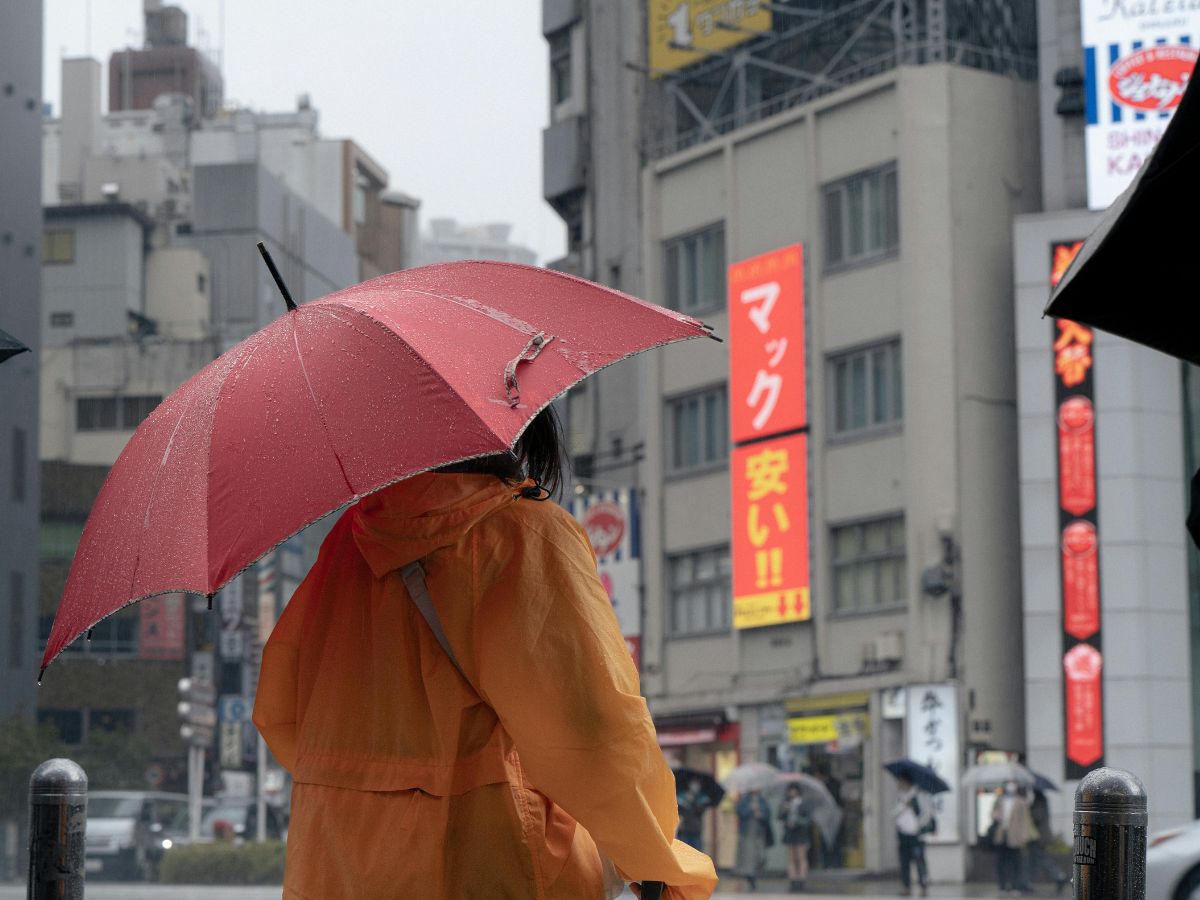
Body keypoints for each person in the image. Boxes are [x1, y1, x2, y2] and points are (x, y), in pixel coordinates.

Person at [253, 407, 717, 898]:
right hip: (484, 859)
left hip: (334, 866)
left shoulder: (350, 544)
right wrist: (660, 865)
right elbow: (592, 727)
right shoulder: (524, 534)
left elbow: (280, 713)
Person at [992, 781, 1034, 896]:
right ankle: (1002, 886)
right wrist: (996, 815)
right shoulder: (1000, 800)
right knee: (1001, 862)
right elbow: (993, 813)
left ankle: (1015, 886)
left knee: (1016, 862)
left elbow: (1025, 820)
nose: (1010, 787)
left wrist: (1023, 836)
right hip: (1002, 835)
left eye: (1013, 784)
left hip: (1015, 836)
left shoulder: (1021, 802)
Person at [892, 775, 930, 898]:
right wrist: (904, 805)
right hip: (903, 835)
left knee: (920, 862)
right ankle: (906, 887)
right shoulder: (900, 797)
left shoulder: (919, 796)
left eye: (901, 781)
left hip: (916, 836)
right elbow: (893, 813)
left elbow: (926, 814)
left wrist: (919, 825)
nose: (899, 783)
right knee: (904, 862)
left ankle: (923, 887)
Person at [1028, 789, 1069, 895]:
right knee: (1036, 860)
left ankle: (1059, 876)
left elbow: (1037, 816)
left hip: (1039, 837)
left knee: (1042, 859)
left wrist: (1029, 810)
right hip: (1040, 836)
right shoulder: (1041, 800)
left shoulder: (1039, 801)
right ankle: (1029, 883)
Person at [735, 790, 774, 892]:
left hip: (759, 833)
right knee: (749, 857)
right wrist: (750, 808)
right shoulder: (744, 800)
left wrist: (760, 814)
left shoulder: (763, 801)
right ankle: (751, 876)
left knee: (761, 856)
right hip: (747, 833)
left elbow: (768, 816)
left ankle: (753, 872)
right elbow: (739, 812)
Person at [778, 782, 812, 892]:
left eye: (794, 790)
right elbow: (779, 816)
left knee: (801, 856)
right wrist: (784, 811)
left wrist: (797, 821)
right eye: (790, 790)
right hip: (789, 833)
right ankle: (792, 879)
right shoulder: (785, 803)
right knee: (791, 857)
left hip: (800, 832)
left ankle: (801, 879)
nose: (792, 792)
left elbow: (808, 820)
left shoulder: (804, 803)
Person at [677, 779, 710, 852]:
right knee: (684, 852)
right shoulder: (682, 796)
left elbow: (700, 810)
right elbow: (679, 809)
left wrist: (693, 802)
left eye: (697, 784)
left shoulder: (702, 798)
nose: (695, 786)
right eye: (694, 783)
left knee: (696, 852)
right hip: (684, 830)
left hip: (696, 830)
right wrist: (686, 801)